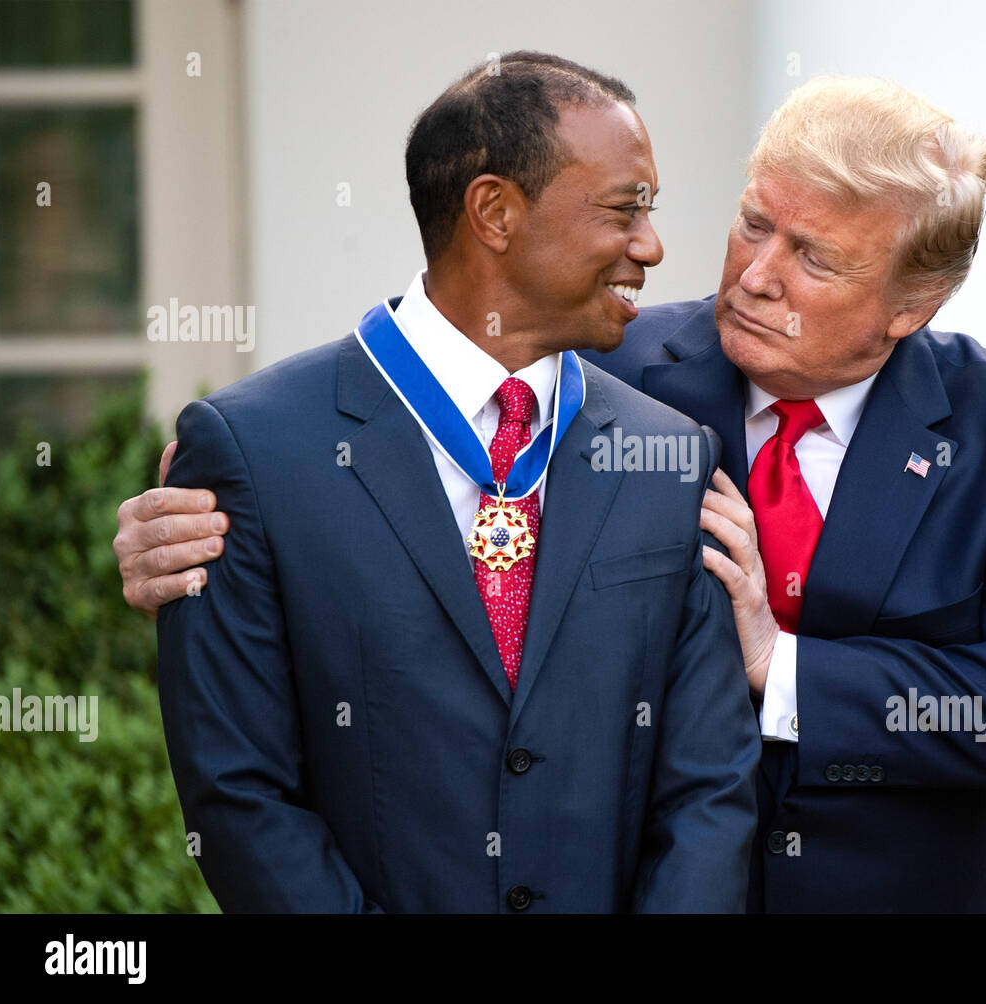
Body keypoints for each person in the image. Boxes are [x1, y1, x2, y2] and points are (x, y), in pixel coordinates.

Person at [115, 72, 986, 914]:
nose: (754, 275)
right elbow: (417, 376)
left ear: (914, 301)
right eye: (753, 224)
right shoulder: (610, 362)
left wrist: (785, 667)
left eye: (811, 257)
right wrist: (203, 511)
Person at [125, 51, 762, 913]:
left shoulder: (671, 455)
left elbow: (708, 794)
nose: (650, 246)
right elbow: (240, 795)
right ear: (494, 212)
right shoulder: (254, 451)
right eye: (626, 210)